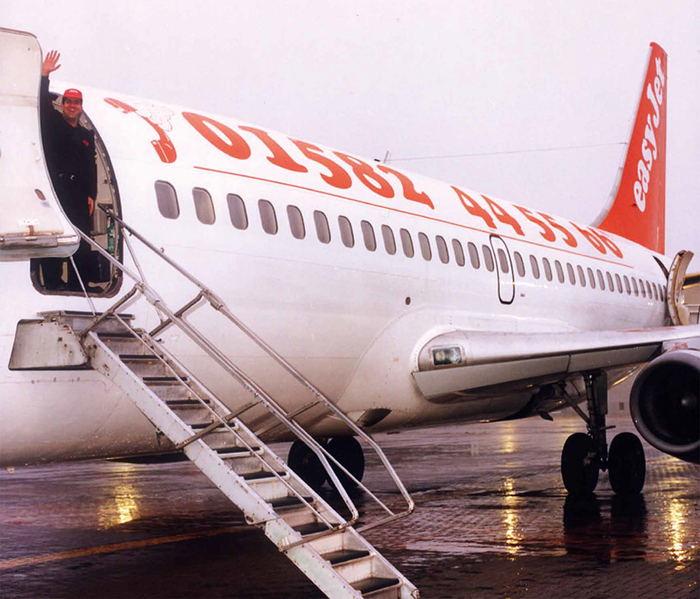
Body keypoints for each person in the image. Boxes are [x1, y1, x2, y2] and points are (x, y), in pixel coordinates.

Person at [39, 50, 97, 290]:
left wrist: (91, 194)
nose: (72, 106)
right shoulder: (54, 123)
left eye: (76, 102)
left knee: (81, 236)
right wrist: (44, 75)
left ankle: (79, 282)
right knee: (55, 235)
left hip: (78, 192)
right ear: (62, 105)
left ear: (81, 107)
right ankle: (53, 281)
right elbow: (41, 101)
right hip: (57, 187)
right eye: (68, 101)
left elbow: (91, 167)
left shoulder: (86, 134)